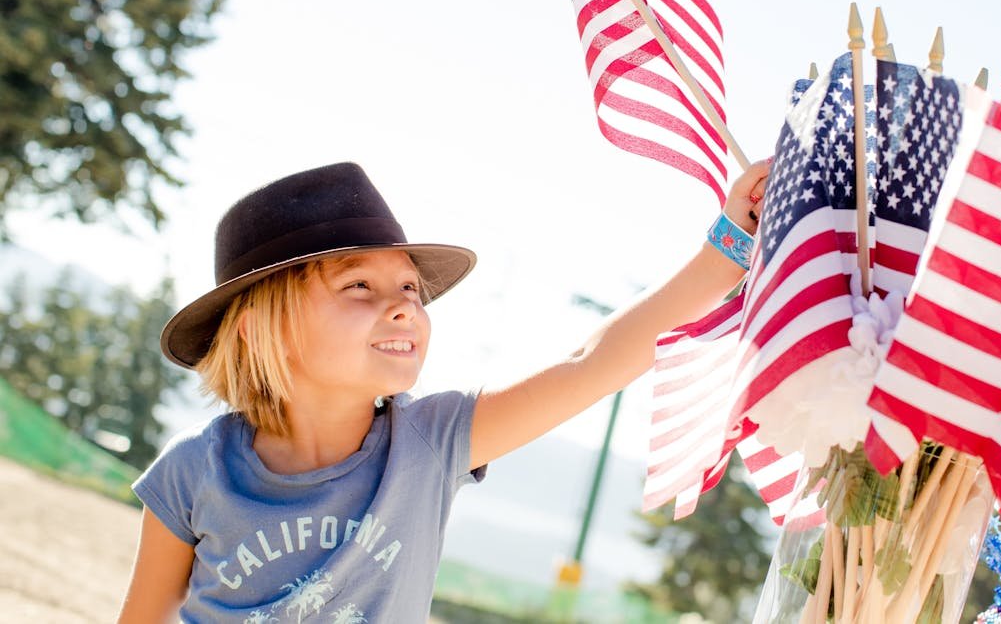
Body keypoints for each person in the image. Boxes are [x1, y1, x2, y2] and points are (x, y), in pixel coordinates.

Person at [116, 159, 769, 622]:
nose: (404, 307)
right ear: (264, 326)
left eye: (409, 288)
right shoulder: (190, 473)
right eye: (359, 287)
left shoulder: (432, 441)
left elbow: (587, 362)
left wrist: (729, 248)